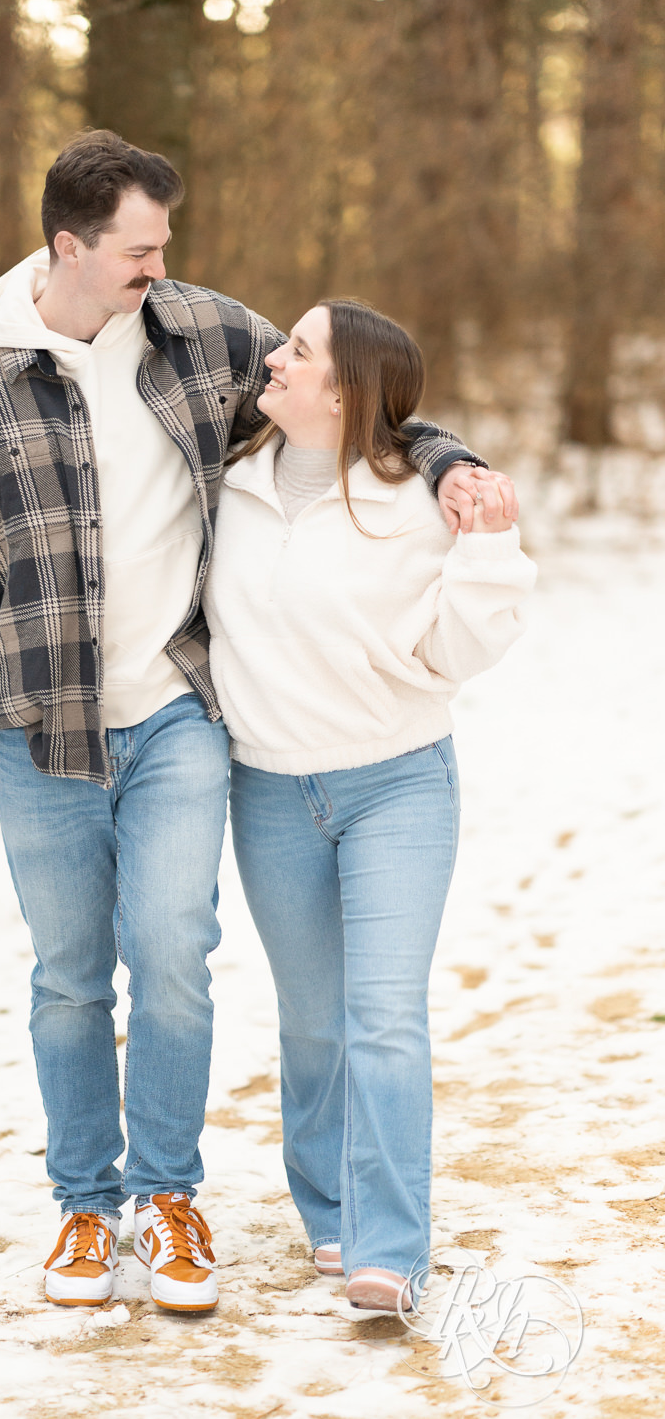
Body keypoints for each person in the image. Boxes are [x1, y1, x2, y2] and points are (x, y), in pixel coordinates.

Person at [0, 131, 516, 1313]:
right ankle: (85, 1206)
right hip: (39, 727)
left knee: (173, 955)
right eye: (139, 247)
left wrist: (450, 463)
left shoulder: (203, 334)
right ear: (69, 246)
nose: (160, 265)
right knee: (70, 977)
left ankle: (169, 1197)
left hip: (178, 713)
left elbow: (350, 397)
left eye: (165, 243)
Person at [203, 299, 536, 1312]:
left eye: (298, 351)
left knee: (383, 1016)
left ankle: (389, 1248)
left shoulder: (414, 500)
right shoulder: (227, 485)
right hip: (266, 786)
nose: (273, 356)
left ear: (344, 394)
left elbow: (461, 648)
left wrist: (485, 546)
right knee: (313, 1024)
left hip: (396, 781)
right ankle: (332, 1217)